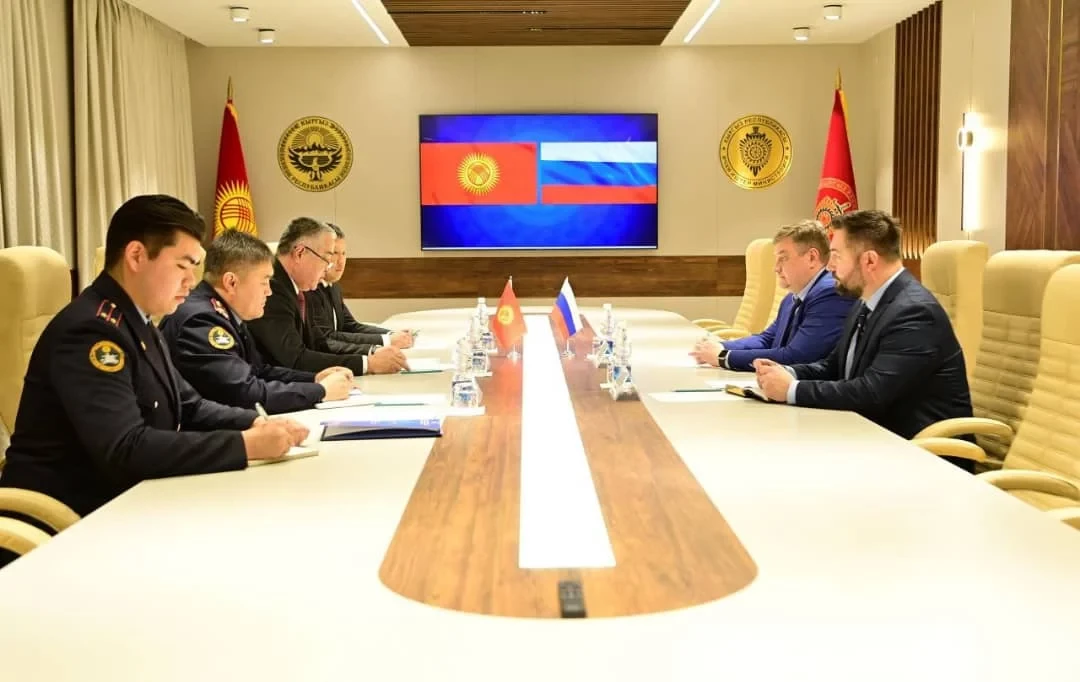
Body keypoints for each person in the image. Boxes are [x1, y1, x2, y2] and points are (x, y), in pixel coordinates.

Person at [0, 195, 307, 518]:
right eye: (182, 266)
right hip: (65, 521)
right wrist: (246, 445)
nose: (192, 281)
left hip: (124, 500)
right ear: (136, 255)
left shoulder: (138, 320)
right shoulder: (92, 331)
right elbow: (125, 448)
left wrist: (256, 422)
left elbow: (190, 405)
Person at [753, 210, 974, 470]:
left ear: (869, 260)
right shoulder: (865, 302)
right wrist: (785, 373)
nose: (830, 266)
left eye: (836, 256)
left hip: (924, 457)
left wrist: (792, 390)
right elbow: (833, 366)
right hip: (873, 439)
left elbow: (871, 393)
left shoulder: (914, 312)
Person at [159, 230, 354, 414]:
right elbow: (244, 393)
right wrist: (320, 391)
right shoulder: (202, 321)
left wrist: (314, 378)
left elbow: (257, 370)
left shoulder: (226, 312)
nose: (269, 291)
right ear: (231, 282)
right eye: (264, 281)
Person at [246, 218, 408, 375]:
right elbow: (295, 359)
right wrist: (368, 364)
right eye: (326, 258)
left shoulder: (296, 287)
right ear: (300, 253)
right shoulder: (272, 289)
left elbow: (319, 343)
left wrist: (371, 354)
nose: (328, 268)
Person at [690, 220, 854, 370]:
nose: (776, 268)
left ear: (812, 257)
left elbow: (796, 356)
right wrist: (721, 346)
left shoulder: (830, 293)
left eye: (783, 258)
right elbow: (766, 339)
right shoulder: (792, 298)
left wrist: (723, 357)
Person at [305, 222, 414, 354]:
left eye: (344, 253)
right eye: (334, 253)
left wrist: (391, 334)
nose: (341, 261)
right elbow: (328, 337)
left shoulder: (334, 286)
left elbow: (350, 325)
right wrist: (385, 341)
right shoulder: (309, 290)